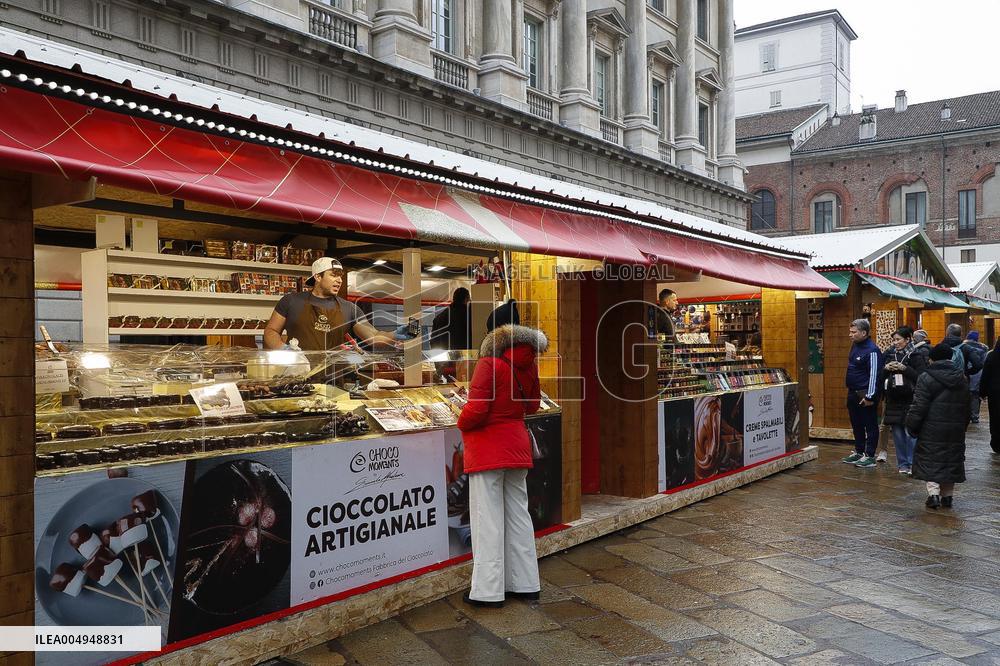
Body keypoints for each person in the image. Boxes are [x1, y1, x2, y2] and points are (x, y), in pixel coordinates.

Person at [456, 324, 548, 607]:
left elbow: (477, 410)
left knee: (487, 519)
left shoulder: (488, 364)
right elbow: (532, 405)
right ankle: (526, 583)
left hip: (487, 450)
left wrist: (460, 421)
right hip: (516, 446)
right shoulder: (530, 364)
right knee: (519, 515)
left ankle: (488, 591)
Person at [263, 257, 397, 351]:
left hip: (334, 377)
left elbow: (373, 337)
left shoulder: (350, 308)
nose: (339, 280)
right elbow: (271, 331)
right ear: (318, 277)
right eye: (334, 275)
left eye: (340, 276)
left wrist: (396, 334)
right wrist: (282, 349)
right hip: (298, 374)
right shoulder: (291, 301)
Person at [906, 343, 969, 509]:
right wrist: (963, 426)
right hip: (955, 427)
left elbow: (919, 405)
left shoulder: (926, 377)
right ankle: (947, 496)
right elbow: (967, 406)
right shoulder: (961, 378)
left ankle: (933, 495)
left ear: (932, 359)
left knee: (931, 459)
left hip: (931, 427)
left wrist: (912, 425)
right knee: (950, 460)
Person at [881, 326, 927, 474]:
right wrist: (886, 368)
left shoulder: (916, 355)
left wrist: (904, 368)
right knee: (897, 434)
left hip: (911, 399)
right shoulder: (890, 355)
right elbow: (880, 377)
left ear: (907, 339)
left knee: (910, 433)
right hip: (893, 399)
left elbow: (921, 377)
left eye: (898, 339)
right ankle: (902, 464)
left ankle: (912, 463)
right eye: (894, 340)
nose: (895, 343)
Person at [843, 318, 881, 468]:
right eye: (850, 331)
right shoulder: (855, 346)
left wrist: (870, 396)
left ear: (864, 333)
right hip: (853, 392)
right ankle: (859, 451)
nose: (850, 335)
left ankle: (870, 455)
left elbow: (874, 375)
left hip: (865, 394)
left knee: (870, 425)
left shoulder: (872, 350)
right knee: (856, 424)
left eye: (854, 332)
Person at [979, 338, 1000, 454]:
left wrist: (982, 392)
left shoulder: (992, 356)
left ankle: (996, 442)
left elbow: (985, 374)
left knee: (995, 416)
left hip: (995, 392)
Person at [963, 331, 988, 423]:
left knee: (964, 395)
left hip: (965, 373)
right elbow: (984, 363)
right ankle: (975, 416)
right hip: (978, 374)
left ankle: (965, 415)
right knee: (975, 396)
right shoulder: (984, 348)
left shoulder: (962, 346)